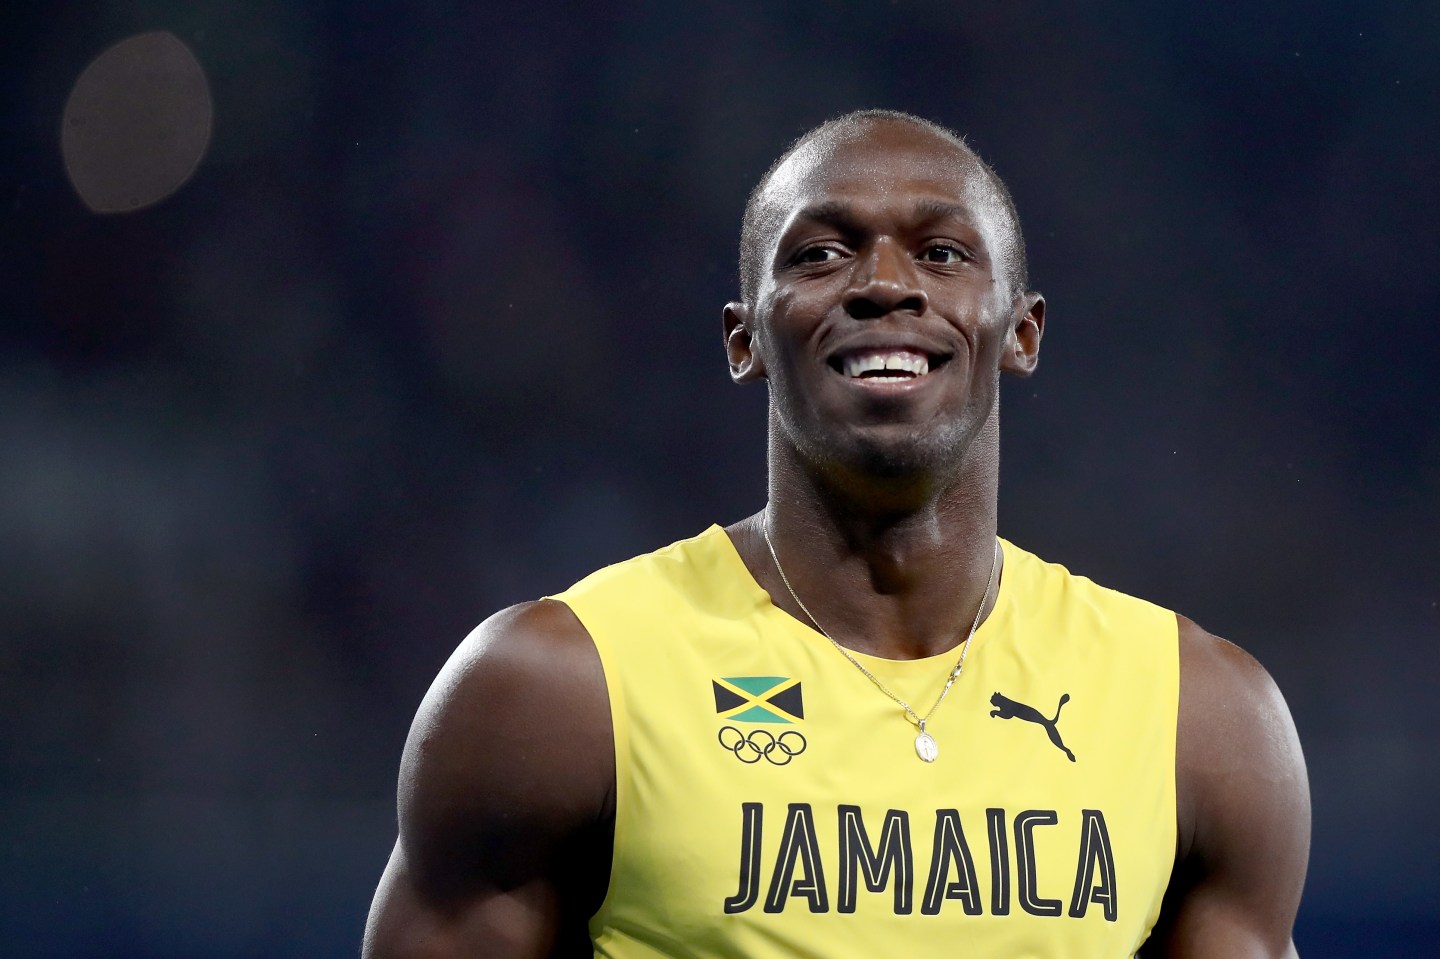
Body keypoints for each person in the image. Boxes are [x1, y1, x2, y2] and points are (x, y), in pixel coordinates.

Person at [361, 109, 1310, 958]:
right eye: (820, 254)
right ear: (744, 340)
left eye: (943, 253)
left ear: (1021, 332)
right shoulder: (560, 686)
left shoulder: (1199, 716)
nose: (886, 284)